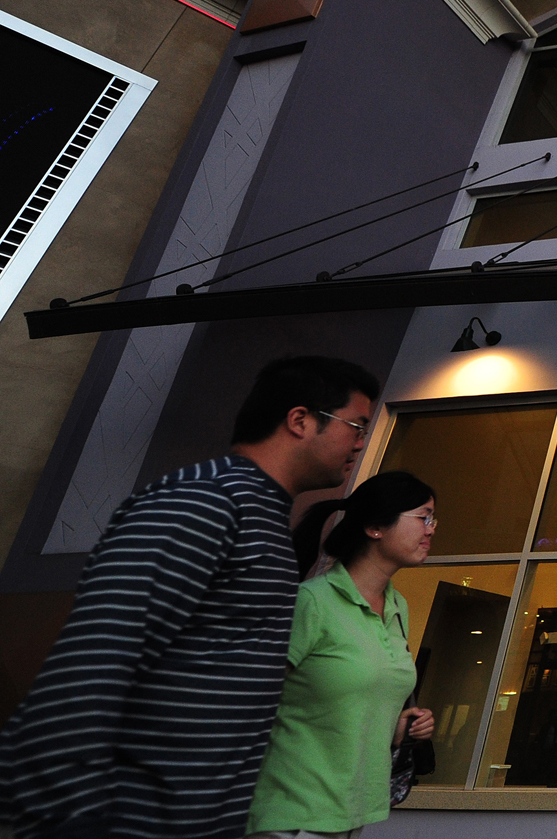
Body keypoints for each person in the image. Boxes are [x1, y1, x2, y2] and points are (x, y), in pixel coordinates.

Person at [0, 356, 379, 839]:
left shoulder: (261, 517)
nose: (361, 443)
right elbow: (91, 667)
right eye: (356, 426)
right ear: (301, 420)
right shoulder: (204, 502)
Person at [246, 471, 438, 838]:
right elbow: (249, 705)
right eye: (423, 517)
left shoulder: (398, 607)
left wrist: (398, 730)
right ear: (375, 527)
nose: (431, 529)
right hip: (289, 816)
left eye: (434, 519)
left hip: (351, 815)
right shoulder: (312, 602)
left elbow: (346, 705)